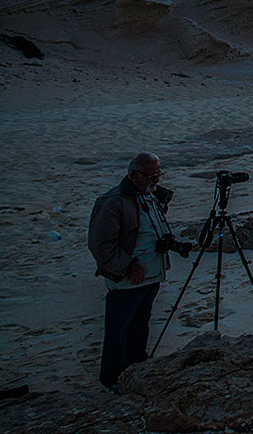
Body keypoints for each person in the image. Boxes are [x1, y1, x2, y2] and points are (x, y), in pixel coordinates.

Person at [87, 152, 175, 391]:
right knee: (119, 330)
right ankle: (113, 378)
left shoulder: (151, 196)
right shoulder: (114, 201)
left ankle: (137, 366)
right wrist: (126, 266)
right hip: (126, 279)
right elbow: (100, 244)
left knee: (141, 324)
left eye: (159, 174)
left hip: (151, 273)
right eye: (151, 176)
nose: (156, 180)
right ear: (133, 175)